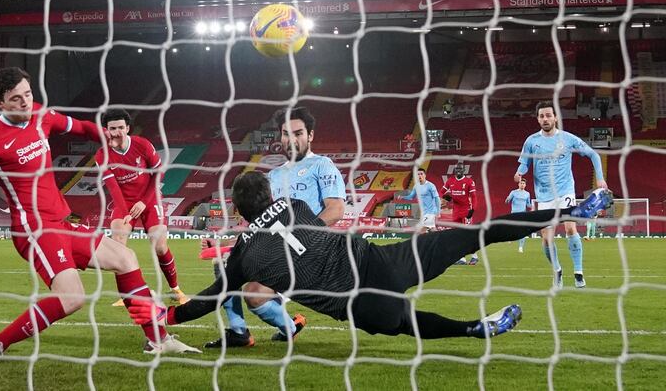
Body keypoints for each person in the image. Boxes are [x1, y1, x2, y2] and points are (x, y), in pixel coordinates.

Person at [0, 67, 199, 359]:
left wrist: (100, 134)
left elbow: (77, 126)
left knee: (125, 258)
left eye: (27, 93)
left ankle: (159, 341)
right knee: (72, 298)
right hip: (33, 230)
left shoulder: (40, 115)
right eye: (16, 98)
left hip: (60, 223)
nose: (26, 102)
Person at [128, 171, 613, 343]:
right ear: (270, 192)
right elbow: (318, 217)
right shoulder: (294, 205)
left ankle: (476, 329)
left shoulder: (241, 258)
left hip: (353, 302)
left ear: (236, 208)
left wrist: (166, 312)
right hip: (380, 261)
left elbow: (209, 301)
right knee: (475, 235)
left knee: (409, 324)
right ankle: (567, 209)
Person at [203, 106, 346, 349]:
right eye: (286, 134)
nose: (291, 140)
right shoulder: (274, 176)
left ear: (310, 135)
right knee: (224, 264)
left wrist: (301, 236)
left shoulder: (323, 165)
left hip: (307, 254)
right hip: (274, 252)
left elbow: (335, 210)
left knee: (246, 286)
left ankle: (285, 326)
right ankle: (246, 331)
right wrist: (226, 244)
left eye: (298, 133)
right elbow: (259, 223)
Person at [95, 109, 189, 306]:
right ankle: (127, 294)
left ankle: (176, 289)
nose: (118, 132)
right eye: (113, 128)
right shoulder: (102, 154)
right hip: (124, 202)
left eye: (121, 127)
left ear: (128, 128)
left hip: (150, 197)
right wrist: (125, 213)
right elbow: (112, 187)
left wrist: (144, 202)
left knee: (160, 246)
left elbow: (159, 174)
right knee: (117, 245)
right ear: (107, 130)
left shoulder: (142, 144)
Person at [514, 100, 608, 289]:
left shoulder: (568, 139)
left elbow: (594, 155)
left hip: (565, 191)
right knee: (546, 238)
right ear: (538, 119)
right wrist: (519, 172)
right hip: (543, 195)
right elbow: (524, 163)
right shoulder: (531, 141)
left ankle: (579, 272)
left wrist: (600, 179)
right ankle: (557, 271)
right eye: (542, 116)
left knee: (570, 229)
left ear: (555, 117)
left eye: (549, 115)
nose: (545, 119)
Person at [442, 162, 479, 265]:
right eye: (456, 169)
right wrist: (446, 197)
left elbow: (474, 197)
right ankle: (462, 258)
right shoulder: (450, 181)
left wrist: (473, 210)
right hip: (456, 211)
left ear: (464, 171)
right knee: (458, 235)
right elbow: (441, 191)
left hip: (466, 210)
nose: (458, 171)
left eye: (460, 169)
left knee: (467, 235)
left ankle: (474, 256)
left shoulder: (469, 181)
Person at [403, 168, 440, 233]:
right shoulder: (416, 186)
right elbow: (411, 197)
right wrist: (403, 197)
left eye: (421, 174)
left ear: (425, 175)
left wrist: (438, 211)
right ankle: (441, 241)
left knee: (421, 230)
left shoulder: (430, 186)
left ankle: (417, 242)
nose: (419, 176)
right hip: (424, 213)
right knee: (433, 230)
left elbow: (437, 198)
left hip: (430, 212)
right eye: (418, 174)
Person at [505, 178, 533, 253]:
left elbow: (528, 204)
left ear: (525, 185)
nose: (522, 185)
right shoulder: (513, 192)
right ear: (518, 184)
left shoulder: (527, 194)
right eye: (521, 183)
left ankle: (521, 247)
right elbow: (507, 201)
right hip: (514, 213)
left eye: (523, 183)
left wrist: (533, 205)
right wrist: (507, 200)